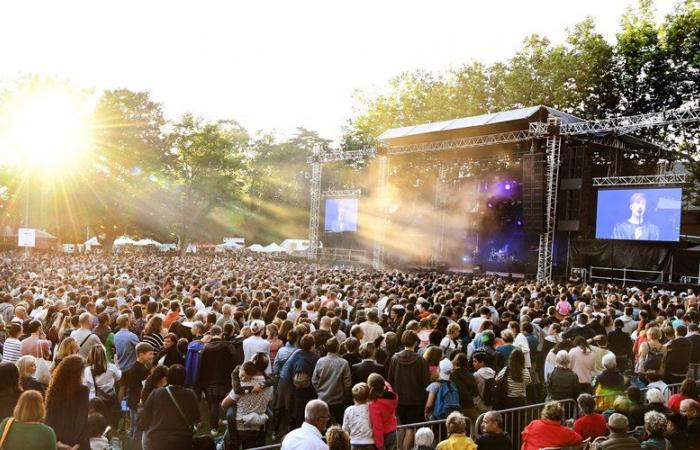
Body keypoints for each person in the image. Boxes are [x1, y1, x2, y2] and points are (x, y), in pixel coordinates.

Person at [139, 364, 200, 450]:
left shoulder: (156, 393)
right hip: (182, 439)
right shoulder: (190, 394)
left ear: (167, 378)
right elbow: (196, 416)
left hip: (158, 439)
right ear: (184, 378)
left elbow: (147, 415)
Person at [388, 330, 430, 450]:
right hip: (416, 401)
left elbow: (390, 379)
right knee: (411, 429)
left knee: (401, 427)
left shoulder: (395, 358)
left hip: (399, 399)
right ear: (416, 342)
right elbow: (426, 383)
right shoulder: (421, 360)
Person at [221, 361, 272, 449]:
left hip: (239, 425)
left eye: (246, 377)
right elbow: (270, 399)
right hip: (255, 427)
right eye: (242, 375)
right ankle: (262, 438)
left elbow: (224, 404)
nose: (243, 379)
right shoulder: (236, 374)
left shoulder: (246, 382)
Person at [196, 325, 237, 435]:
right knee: (229, 403)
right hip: (226, 380)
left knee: (214, 404)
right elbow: (235, 362)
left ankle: (214, 428)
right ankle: (229, 426)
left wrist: (201, 383)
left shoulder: (205, 348)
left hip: (209, 382)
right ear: (220, 333)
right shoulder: (228, 346)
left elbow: (200, 367)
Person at [45, 354, 90, 450]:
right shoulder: (83, 391)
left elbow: (49, 416)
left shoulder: (54, 390)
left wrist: (56, 441)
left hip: (56, 438)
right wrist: (78, 443)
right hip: (75, 440)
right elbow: (82, 418)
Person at [313, 337, 352, 424]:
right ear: (338, 348)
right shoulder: (344, 363)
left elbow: (314, 380)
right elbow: (347, 383)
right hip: (339, 400)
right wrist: (346, 395)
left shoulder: (320, 361)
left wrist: (319, 391)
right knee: (340, 423)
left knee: (323, 424)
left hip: (323, 398)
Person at [127, 342, 154, 440]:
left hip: (132, 398)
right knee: (138, 423)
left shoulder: (136, 366)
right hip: (138, 400)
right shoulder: (142, 369)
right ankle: (135, 441)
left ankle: (131, 437)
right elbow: (144, 387)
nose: (152, 356)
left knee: (133, 422)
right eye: (150, 354)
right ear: (141, 354)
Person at [367, 373, 398, 450]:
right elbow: (387, 385)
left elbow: (377, 426)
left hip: (383, 435)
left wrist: (379, 445)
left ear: (370, 387)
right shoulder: (392, 395)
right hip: (393, 432)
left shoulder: (374, 405)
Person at [342, 383, 375, 450]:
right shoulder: (371, 408)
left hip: (354, 443)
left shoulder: (349, 410)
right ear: (368, 396)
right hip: (369, 442)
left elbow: (345, 429)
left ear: (354, 397)